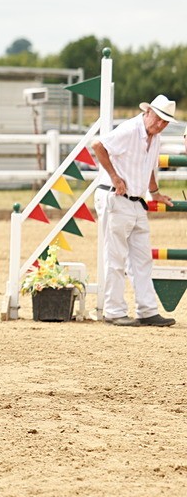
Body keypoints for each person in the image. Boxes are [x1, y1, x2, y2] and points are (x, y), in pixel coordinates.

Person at [90, 94, 177, 327]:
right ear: (147, 112)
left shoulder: (153, 137)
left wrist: (155, 192)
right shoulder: (129, 129)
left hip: (136, 200)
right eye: (158, 119)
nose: (160, 125)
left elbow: (148, 166)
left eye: (165, 122)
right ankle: (113, 310)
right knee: (116, 256)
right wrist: (115, 177)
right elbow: (98, 145)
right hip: (116, 197)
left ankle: (147, 310)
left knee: (142, 258)